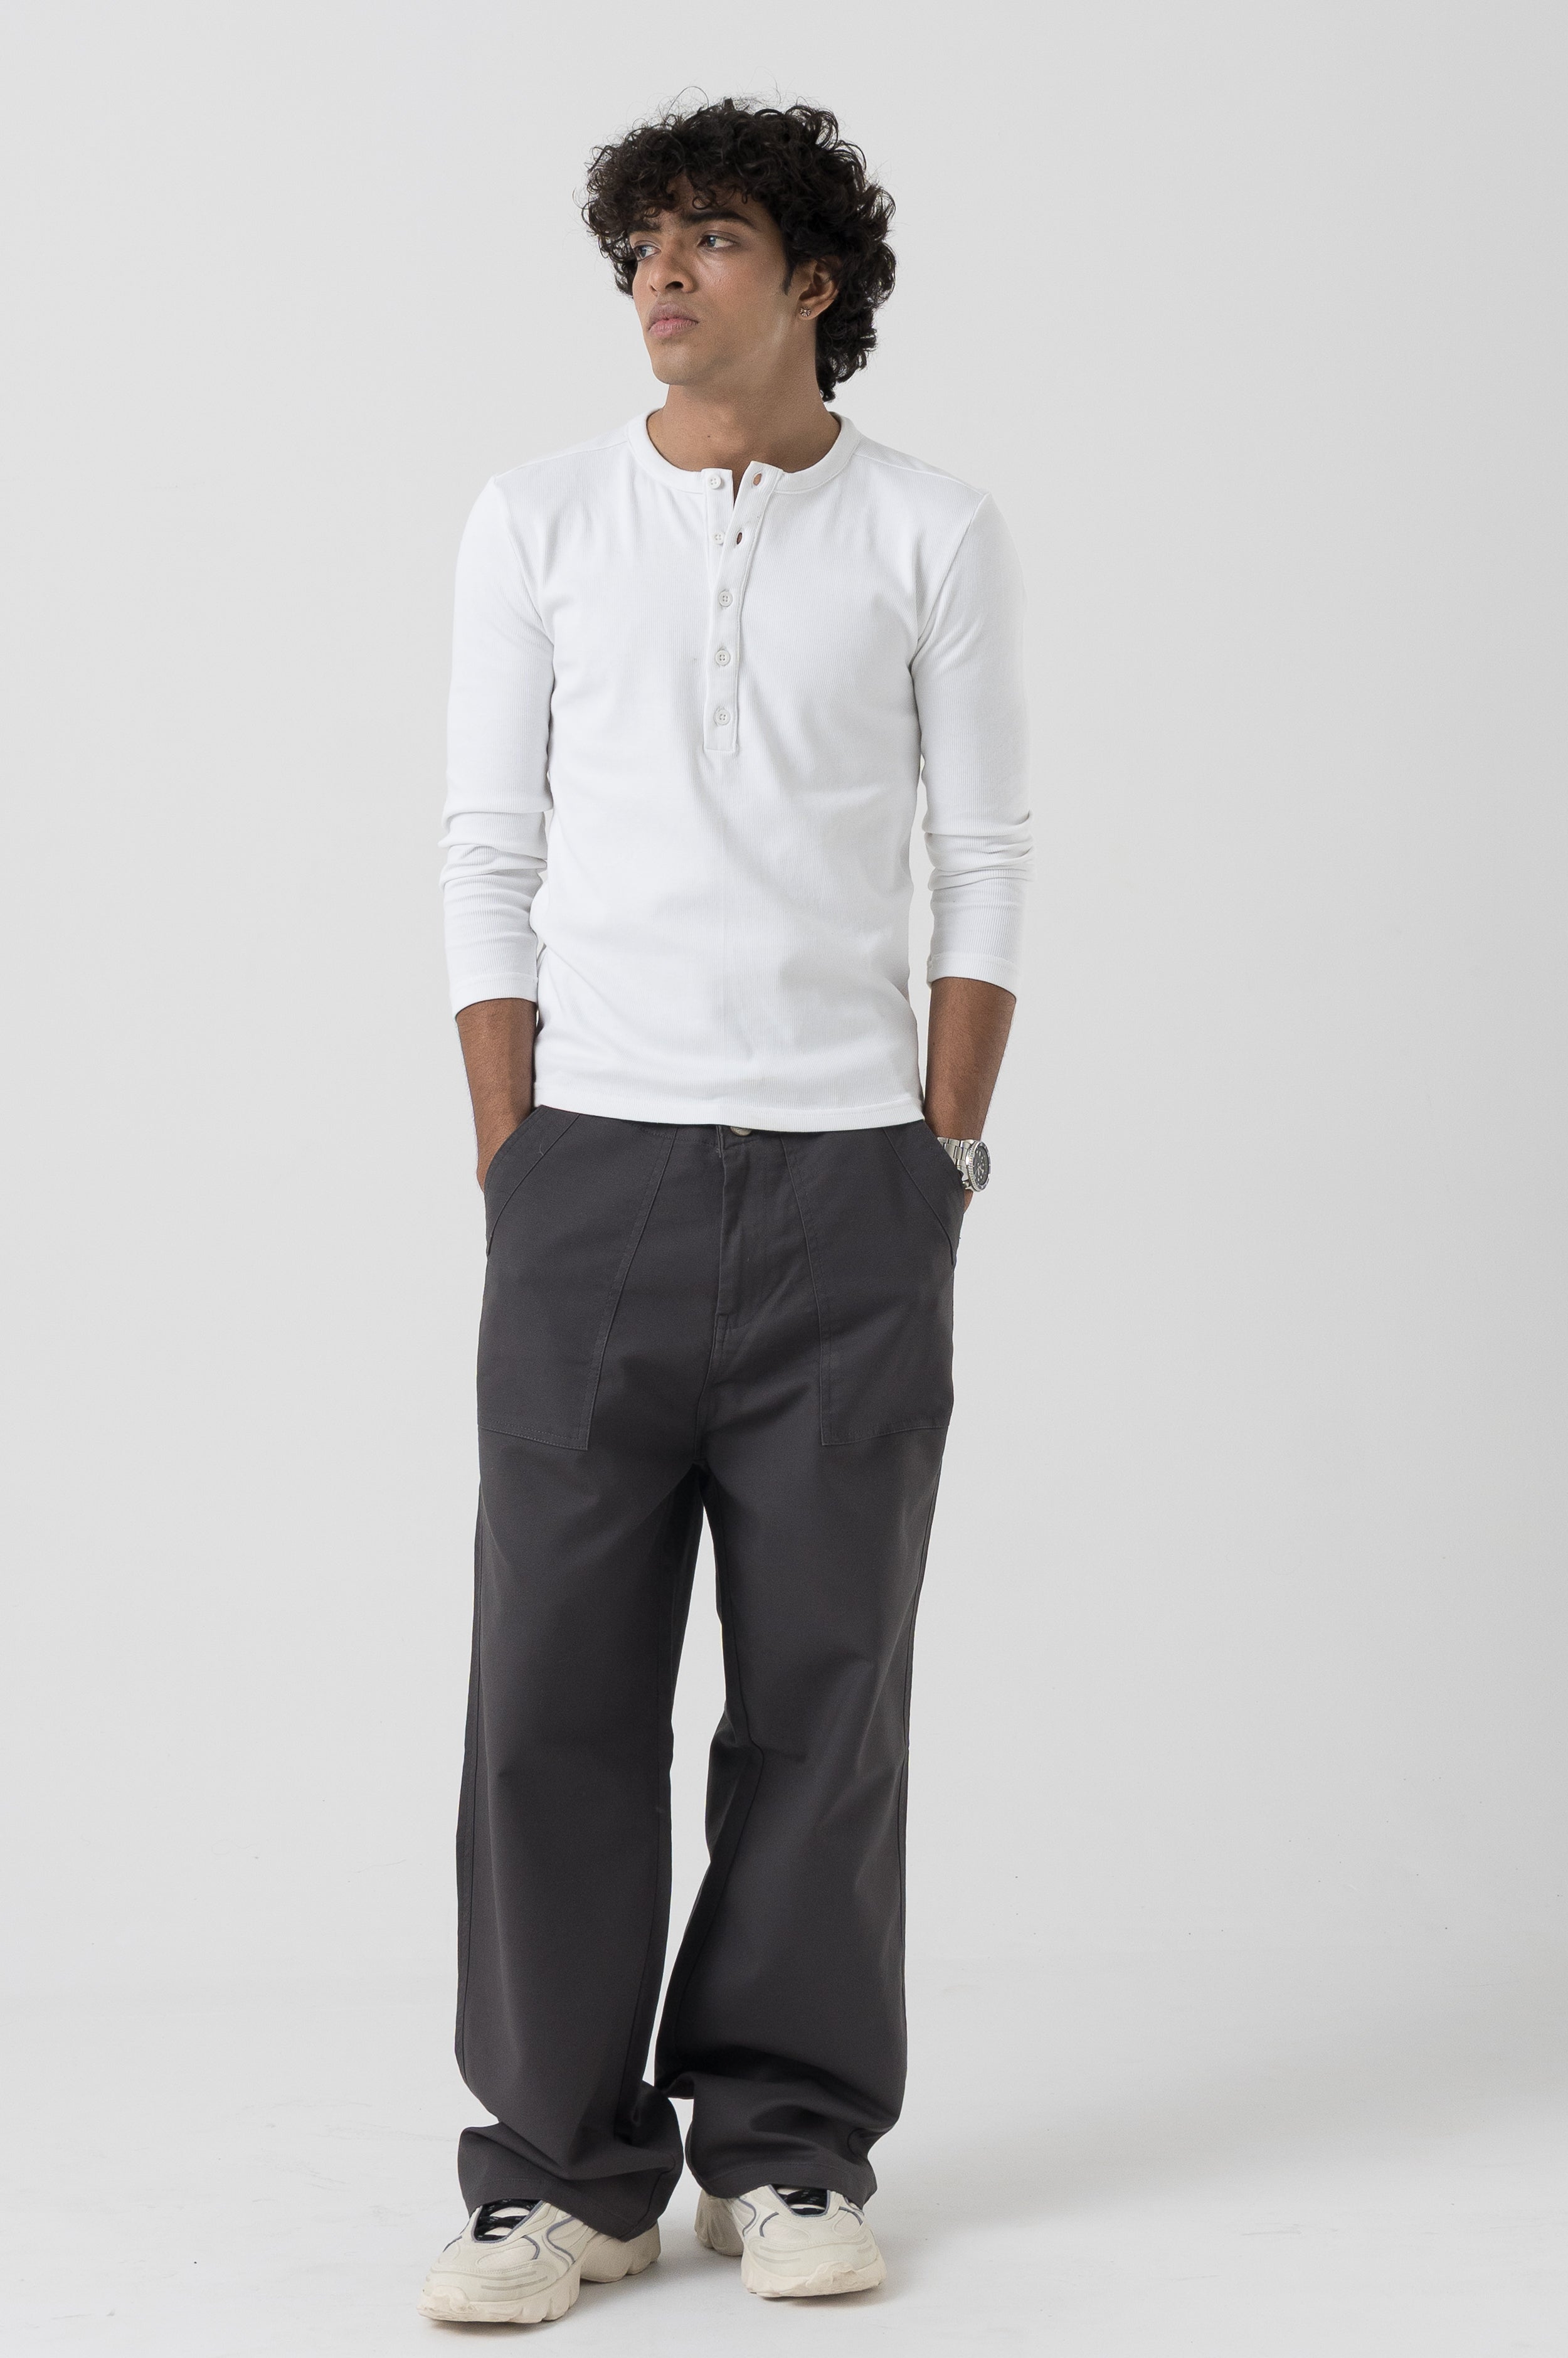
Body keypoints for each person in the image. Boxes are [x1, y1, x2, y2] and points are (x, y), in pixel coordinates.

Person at [419, 97, 1028, 2327]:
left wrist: (940, 1148)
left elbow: (985, 854)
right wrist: (521, 1154)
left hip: (854, 1190)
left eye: (712, 240)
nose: (662, 279)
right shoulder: (540, 518)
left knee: (825, 1696)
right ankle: (560, 2178)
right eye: (642, 248)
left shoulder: (932, 531)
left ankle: (785, 2147)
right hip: (592, 1176)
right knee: (550, 1696)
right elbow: (486, 850)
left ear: (815, 281)